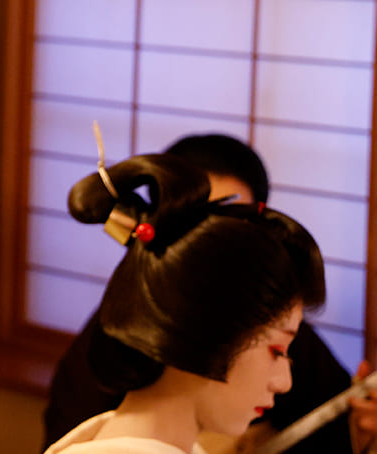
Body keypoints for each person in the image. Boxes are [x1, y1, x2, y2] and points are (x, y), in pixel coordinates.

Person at [44, 134, 377, 454]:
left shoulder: (280, 328)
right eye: (276, 352)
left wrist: (357, 428)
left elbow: (329, 430)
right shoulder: (111, 339)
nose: (283, 381)